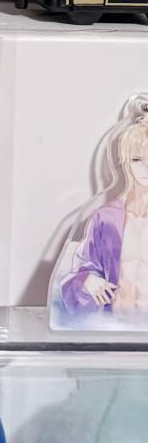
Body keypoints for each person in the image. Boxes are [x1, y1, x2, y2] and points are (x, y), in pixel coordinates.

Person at [52, 100, 148, 322]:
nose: (145, 167)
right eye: (137, 159)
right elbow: (77, 276)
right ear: (125, 162)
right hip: (113, 327)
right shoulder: (106, 218)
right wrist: (88, 281)